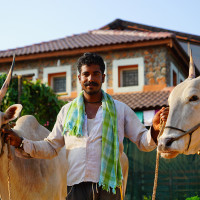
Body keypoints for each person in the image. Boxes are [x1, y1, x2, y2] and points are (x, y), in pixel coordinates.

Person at [3, 52, 169, 200]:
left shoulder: (120, 110)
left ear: (103, 77)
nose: (91, 79)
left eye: (96, 74)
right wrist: (21, 143)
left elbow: (143, 141)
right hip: (75, 188)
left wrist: (154, 129)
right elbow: (52, 147)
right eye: (86, 74)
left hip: (110, 188)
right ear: (79, 78)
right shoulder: (66, 111)